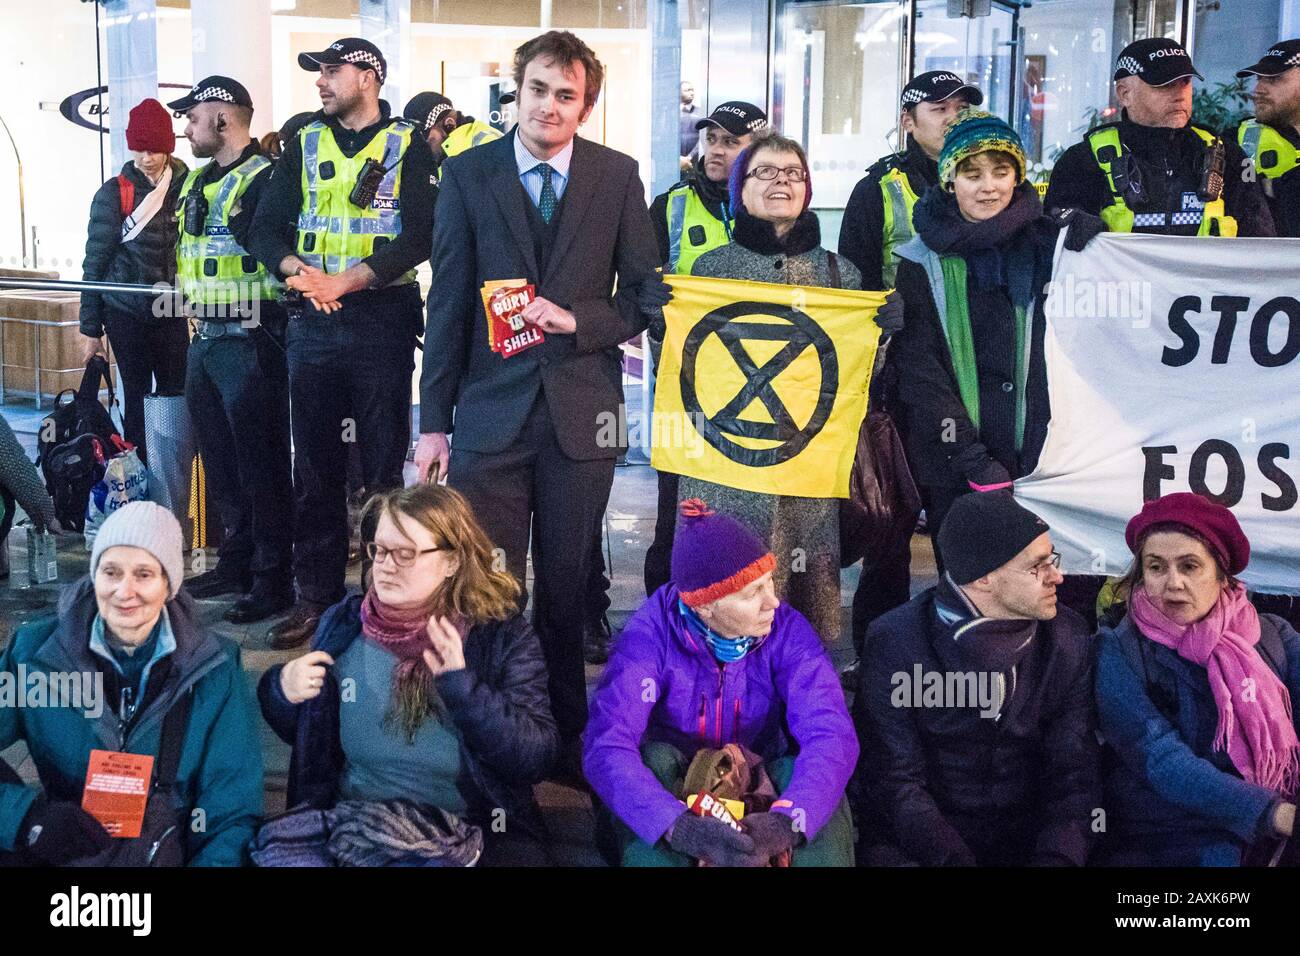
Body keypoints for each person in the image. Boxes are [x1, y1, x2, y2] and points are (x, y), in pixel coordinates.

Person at [412, 30, 662, 780]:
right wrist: (433, 424)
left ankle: (563, 743)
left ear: (585, 105)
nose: (550, 106)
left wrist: (582, 321)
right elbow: (449, 302)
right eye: (539, 90)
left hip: (581, 418)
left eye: (567, 95)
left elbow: (647, 294)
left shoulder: (616, 177)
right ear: (514, 93)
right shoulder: (469, 174)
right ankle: (488, 738)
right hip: (489, 419)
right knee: (487, 586)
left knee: (564, 592)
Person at [675, 130, 901, 646]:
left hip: (807, 472)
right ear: (741, 190)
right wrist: (664, 321)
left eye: (792, 173)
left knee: (803, 617)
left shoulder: (841, 275)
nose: (781, 182)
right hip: (726, 472)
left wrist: (882, 333)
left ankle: (800, 712)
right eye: (766, 172)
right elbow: (693, 364)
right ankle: (725, 711)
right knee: (725, 606)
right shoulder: (710, 271)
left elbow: (855, 377)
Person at [248, 37, 437, 649]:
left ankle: (383, 601)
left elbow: (419, 237)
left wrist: (346, 281)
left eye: (332, 72)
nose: (322, 83)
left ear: (369, 77)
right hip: (312, 323)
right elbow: (265, 226)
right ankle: (316, 600)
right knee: (317, 470)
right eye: (320, 73)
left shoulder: (407, 143)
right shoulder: (303, 141)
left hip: (380, 321)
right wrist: (302, 276)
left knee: (383, 469)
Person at [258, 484, 558, 866]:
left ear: (452, 561)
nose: (384, 565)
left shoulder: (498, 635)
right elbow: (310, 736)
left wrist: (463, 689)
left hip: (467, 831)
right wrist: (282, 691)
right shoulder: (344, 624)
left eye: (405, 553)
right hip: (356, 820)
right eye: (379, 550)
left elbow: (535, 756)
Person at [584, 499, 857, 866]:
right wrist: (677, 826)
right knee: (655, 761)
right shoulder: (650, 636)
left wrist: (788, 821)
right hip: (678, 784)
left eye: (769, 584)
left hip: (758, 774)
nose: (773, 602)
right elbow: (606, 743)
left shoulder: (786, 631)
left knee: (809, 784)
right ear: (704, 606)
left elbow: (831, 731)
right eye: (752, 593)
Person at [0, 502, 263, 866]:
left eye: (143, 574)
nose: (125, 592)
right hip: (67, 849)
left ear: (168, 584)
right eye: (111, 572)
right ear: (95, 577)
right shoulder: (32, 655)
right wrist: (24, 818)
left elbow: (231, 810)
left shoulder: (214, 668)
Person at [854, 492, 1100, 866]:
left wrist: (1057, 858)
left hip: (1030, 841)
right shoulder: (897, 641)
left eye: (1053, 559)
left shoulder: (1066, 638)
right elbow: (895, 782)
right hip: (925, 845)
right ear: (983, 578)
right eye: (1038, 566)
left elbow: (1074, 774)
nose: (1057, 576)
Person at [838, 72, 983, 675]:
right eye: (938, 107)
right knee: (890, 530)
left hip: (971, 380)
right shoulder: (878, 189)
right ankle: (878, 661)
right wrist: (878, 314)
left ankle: (968, 651)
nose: (952, 117)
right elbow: (848, 280)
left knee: (965, 521)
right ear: (908, 120)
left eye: (961, 108)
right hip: (897, 383)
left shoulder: (985, 179)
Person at [625, 99, 767, 663]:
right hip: (682, 392)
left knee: (746, 511)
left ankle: (740, 625)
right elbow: (638, 280)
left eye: (731, 142)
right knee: (676, 511)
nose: (715, 150)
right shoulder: (670, 206)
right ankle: (662, 626)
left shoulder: (769, 207)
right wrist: (650, 301)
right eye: (710, 138)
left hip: (756, 397)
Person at [890, 108, 1061, 562]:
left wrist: (1099, 243)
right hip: (954, 465)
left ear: (1017, 178)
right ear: (950, 181)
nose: (988, 186)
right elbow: (921, 372)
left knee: (1037, 582)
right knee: (970, 583)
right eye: (972, 173)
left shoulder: (1052, 249)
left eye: (1001, 172)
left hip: (1039, 459)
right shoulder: (919, 262)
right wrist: (971, 458)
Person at [1094, 493, 1300, 867]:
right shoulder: (1118, 650)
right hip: (1170, 840)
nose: (1173, 583)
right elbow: (1162, 759)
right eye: (1156, 567)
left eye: (1190, 566)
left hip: (1277, 839)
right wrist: (1276, 814)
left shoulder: (1274, 637)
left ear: (1222, 576)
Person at [167, 77, 294, 625]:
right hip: (205, 337)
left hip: (252, 336)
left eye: (192, 116)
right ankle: (236, 562)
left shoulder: (267, 179)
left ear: (222, 117)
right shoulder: (196, 181)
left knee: (261, 464)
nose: (185, 127)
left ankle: (272, 577)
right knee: (219, 462)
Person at [1045, 38, 1274, 238]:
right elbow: (1051, 239)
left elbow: (1260, 249)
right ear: (1125, 94)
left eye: (1185, 82)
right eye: (1164, 84)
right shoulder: (1083, 161)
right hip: (1122, 289)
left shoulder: (1228, 157)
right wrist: (1068, 222)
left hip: (1206, 289)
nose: (1179, 95)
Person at [78, 98, 188, 464]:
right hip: (125, 314)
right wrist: (90, 330)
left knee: (177, 393)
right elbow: (94, 264)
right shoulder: (114, 193)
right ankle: (139, 469)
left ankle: (178, 474)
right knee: (137, 395)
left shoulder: (188, 187)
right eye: (139, 148)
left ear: (168, 147)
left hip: (171, 309)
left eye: (155, 148)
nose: (146, 157)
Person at [1237, 40, 1300, 238]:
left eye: (1274, 79)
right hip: (1265, 264)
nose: (1258, 90)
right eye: (1258, 79)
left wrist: (1276, 187)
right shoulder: (1236, 139)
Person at [403, 91, 502, 175]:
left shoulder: (487, 144)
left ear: (449, 124)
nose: (423, 147)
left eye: (427, 140)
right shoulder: (445, 156)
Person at [678, 81, 700, 158]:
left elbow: (703, 137)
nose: (692, 93)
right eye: (687, 90)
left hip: (693, 161)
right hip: (673, 160)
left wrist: (689, 157)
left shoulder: (700, 112)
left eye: (692, 90)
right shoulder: (671, 113)